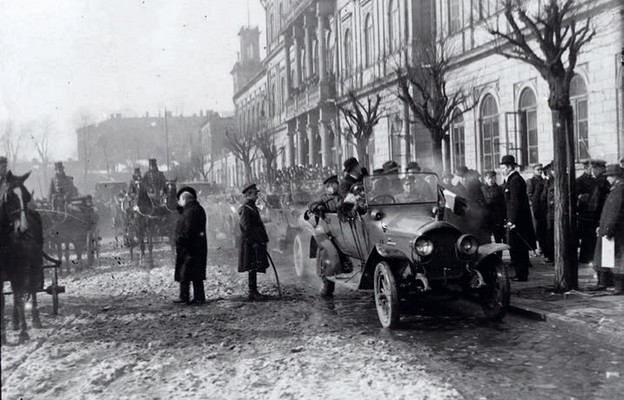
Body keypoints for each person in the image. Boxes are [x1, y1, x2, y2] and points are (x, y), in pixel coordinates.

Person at [500, 155, 536, 281]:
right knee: (515, 248)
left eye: (503, 167)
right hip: (515, 221)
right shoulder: (510, 180)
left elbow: (515, 203)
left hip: (518, 222)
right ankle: (519, 273)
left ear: (510, 167)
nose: (501, 170)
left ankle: (521, 274)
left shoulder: (515, 180)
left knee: (519, 248)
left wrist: (511, 221)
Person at [173, 187, 207, 305]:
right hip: (197, 246)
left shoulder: (190, 211)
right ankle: (199, 297)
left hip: (188, 247)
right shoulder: (196, 209)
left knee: (185, 272)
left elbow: (187, 229)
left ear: (185, 200)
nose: (180, 204)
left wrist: (181, 240)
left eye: (180, 201)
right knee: (196, 272)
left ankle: (184, 296)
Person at [594, 164, 624, 293]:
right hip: (611, 229)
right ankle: (606, 283)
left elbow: (615, 212)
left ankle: (618, 287)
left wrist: (607, 230)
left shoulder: (619, 190)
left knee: (616, 258)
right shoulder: (617, 189)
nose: (607, 179)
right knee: (608, 258)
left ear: (616, 177)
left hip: (614, 232)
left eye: (609, 176)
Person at [238, 183, 270, 301]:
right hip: (250, 243)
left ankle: (253, 291)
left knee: (254, 266)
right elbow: (245, 228)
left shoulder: (251, 206)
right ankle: (252, 291)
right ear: (248, 194)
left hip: (254, 242)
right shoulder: (246, 208)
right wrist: (253, 242)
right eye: (255, 193)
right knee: (252, 267)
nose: (257, 195)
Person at [582, 160, 610, 264]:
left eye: (593, 169)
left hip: (597, 214)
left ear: (598, 168)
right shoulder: (604, 179)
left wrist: (590, 213)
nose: (592, 171)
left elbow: (595, 201)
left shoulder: (600, 181)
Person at [481, 170, 506, 248]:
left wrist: (503, 217)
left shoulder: (500, 189)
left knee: (498, 239)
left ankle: (499, 257)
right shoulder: (482, 189)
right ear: (485, 179)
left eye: (492, 178)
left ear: (495, 178)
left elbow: (503, 204)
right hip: (486, 218)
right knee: (486, 239)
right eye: (488, 178)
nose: (490, 180)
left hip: (497, 218)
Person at [541, 163, 555, 263]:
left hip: (557, 213)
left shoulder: (564, 179)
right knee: (550, 236)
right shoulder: (549, 182)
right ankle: (552, 256)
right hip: (550, 213)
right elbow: (543, 197)